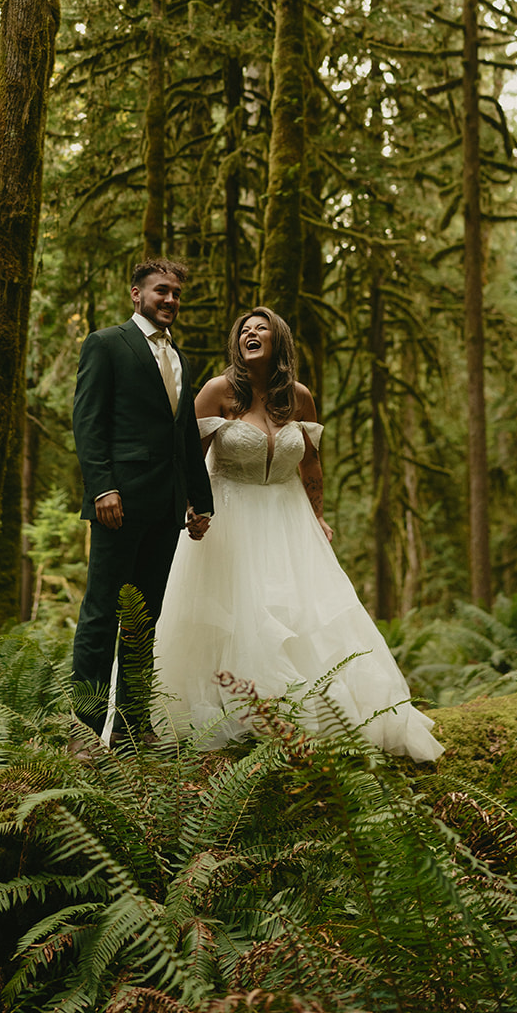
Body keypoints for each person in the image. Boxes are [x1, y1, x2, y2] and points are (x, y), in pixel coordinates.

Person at [154, 307, 443, 761]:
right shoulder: (217, 391)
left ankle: (308, 719)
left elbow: (310, 463)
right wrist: (191, 508)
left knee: (305, 614)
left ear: (278, 341)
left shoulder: (299, 398)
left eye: (260, 328)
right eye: (243, 330)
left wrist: (319, 514)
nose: (250, 333)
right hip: (229, 518)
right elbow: (187, 456)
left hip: (290, 521)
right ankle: (234, 718)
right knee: (238, 614)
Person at [70, 259, 214, 746]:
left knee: (144, 619)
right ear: (136, 294)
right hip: (119, 503)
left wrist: (199, 499)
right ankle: (84, 731)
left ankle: (133, 730)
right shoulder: (107, 344)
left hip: (166, 509)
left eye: (176, 293)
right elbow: (88, 423)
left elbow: (185, 437)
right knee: (101, 612)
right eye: (161, 291)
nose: (170, 299)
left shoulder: (181, 359)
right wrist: (102, 488)